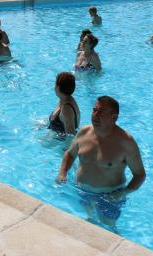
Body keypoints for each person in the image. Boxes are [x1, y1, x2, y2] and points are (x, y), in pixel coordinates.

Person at [56, 96, 146, 226]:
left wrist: (122, 193)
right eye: (94, 110)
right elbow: (70, 154)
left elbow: (140, 175)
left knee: (108, 228)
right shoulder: (83, 132)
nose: (95, 115)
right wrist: (62, 172)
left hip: (109, 198)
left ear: (114, 117)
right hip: (83, 191)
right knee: (89, 220)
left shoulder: (126, 143)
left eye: (101, 112)